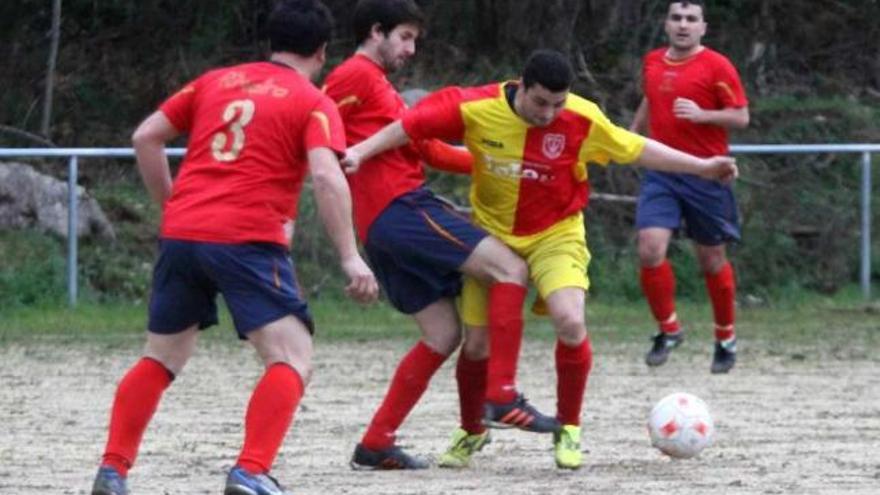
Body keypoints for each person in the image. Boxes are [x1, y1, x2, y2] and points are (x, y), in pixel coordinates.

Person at [342, 49, 738, 470]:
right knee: (475, 345)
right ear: (521, 87)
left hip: (556, 236)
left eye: (558, 104)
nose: (549, 113)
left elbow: (636, 148)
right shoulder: (475, 105)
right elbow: (408, 126)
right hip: (494, 236)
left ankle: (568, 427)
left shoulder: (582, 119)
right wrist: (360, 152)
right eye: (540, 103)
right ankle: (472, 429)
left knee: (570, 321)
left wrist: (702, 167)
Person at [89, 2, 379, 494]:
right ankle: (250, 470)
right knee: (292, 355)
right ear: (323, 51)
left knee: (160, 356)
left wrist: (172, 206)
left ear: (272, 41)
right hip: (246, 238)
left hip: (183, 235)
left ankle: (113, 470)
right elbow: (328, 177)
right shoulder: (312, 100)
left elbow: (146, 137)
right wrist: (351, 256)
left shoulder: (214, 81)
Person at [323, 0, 555, 471]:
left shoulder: (378, 86)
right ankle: (499, 397)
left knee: (443, 333)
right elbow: (318, 128)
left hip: (386, 221)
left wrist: (500, 165)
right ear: (376, 31)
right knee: (510, 266)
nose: (411, 49)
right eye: (405, 37)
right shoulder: (355, 75)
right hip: (399, 209)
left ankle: (376, 443)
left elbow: (426, 147)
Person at [630, 0, 749, 374]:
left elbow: (741, 116)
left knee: (711, 259)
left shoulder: (717, 65)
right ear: (666, 24)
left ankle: (725, 338)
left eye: (691, 19)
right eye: (677, 18)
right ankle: (668, 330)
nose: (683, 25)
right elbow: (651, 98)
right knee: (650, 249)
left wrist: (703, 115)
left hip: (706, 174)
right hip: (661, 171)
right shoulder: (652, 61)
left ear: (703, 27)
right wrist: (630, 137)